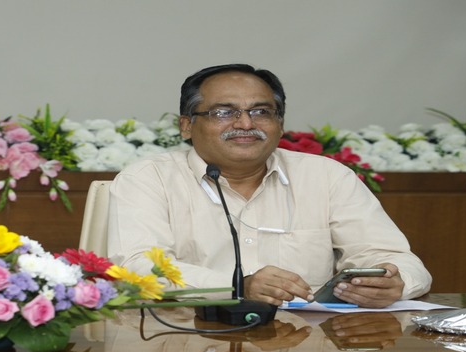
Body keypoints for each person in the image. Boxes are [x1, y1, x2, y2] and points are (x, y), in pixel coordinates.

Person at [107, 64, 431, 309]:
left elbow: (395, 258)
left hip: (301, 350)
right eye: (224, 112)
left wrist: (394, 282)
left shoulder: (327, 177)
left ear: (281, 124)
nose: (246, 124)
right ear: (186, 126)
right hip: (185, 345)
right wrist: (237, 287)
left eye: (261, 111)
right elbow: (136, 269)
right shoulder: (149, 179)